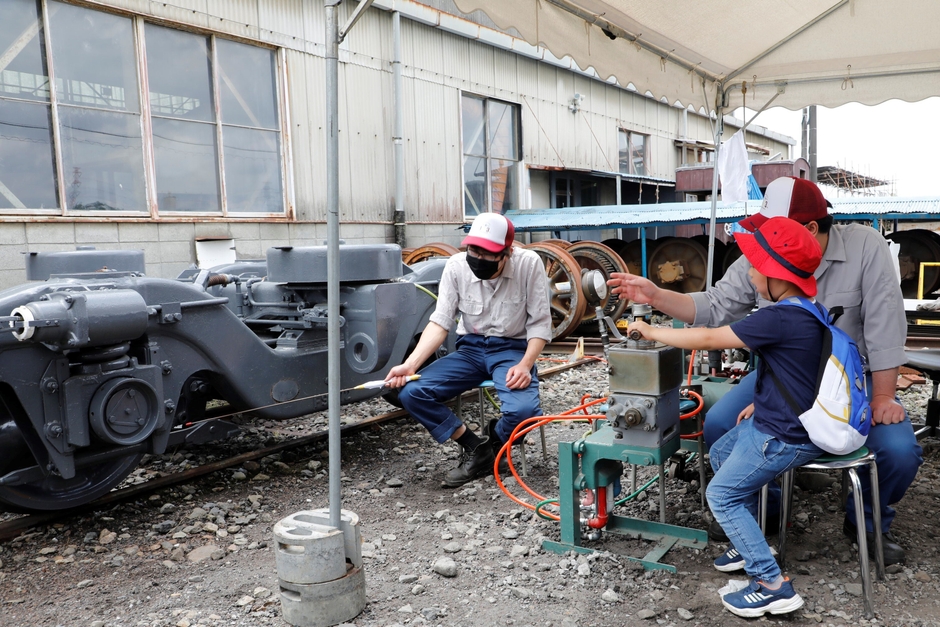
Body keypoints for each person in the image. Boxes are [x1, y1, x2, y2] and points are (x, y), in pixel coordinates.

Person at [609, 176, 921, 565]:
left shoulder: (864, 247)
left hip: (855, 377)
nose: (761, 241)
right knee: (721, 422)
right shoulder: (766, 248)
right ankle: (762, 511)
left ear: (807, 229)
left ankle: (868, 523)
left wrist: (883, 397)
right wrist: (656, 296)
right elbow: (716, 306)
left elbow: (884, 326)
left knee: (898, 450)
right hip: (787, 373)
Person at [628, 216, 825, 618]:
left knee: (721, 494)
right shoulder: (807, 309)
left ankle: (771, 584)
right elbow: (794, 370)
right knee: (720, 452)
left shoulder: (778, 316)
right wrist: (765, 401)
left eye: (755, 265)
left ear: (776, 273)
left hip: (785, 435)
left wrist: (651, 332)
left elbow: (707, 337)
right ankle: (749, 539)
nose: (749, 272)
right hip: (783, 420)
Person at [385, 213, 552, 488]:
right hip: (470, 350)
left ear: (507, 253)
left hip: (512, 350)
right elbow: (440, 322)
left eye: (488, 254)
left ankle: (496, 441)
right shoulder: (456, 266)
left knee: (524, 413)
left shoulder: (529, 264)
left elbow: (540, 324)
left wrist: (525, 364)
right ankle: (475, 448)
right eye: (473, 250)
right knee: (412, 393)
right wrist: (411, 365)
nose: (478, 258)